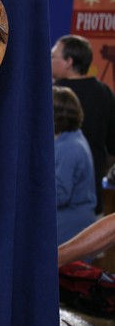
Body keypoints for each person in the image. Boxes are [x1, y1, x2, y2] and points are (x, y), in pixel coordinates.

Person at [51, 34, 115, 214]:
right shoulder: (106, 93)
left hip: (58, 200)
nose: (49, 60)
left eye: (53, 56)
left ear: (68, 62)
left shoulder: (53, 96)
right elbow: (112, 146)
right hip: (92, 194)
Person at [53, 86, 96, 246]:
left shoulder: (69, 147)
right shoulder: (73, 138)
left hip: (69, 227)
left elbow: (60, 194)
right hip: (75, 220)